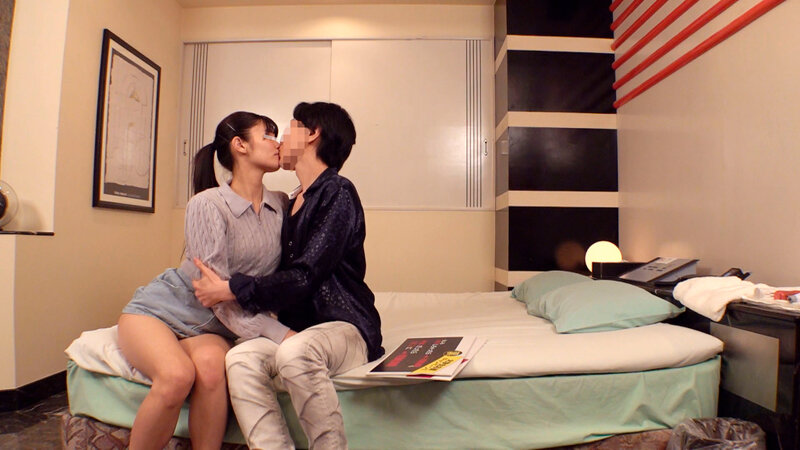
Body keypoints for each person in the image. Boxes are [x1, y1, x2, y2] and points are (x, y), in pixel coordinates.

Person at [193, 101, 384, 449]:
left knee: (296, 352)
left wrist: (232, 288)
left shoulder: (338, 192)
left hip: (344, 325)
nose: (280, 139)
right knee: (240, 359)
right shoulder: (289, 201)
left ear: (312, 134)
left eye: (289, 128)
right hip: (303, 329)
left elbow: (305, 275)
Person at [117, 111, 293, 450]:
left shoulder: (281, 204)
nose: (278, 143)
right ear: (240, 145)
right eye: (268, 135)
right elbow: (215, 292)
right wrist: (279, 333)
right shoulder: (207, 204)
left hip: (213, 326)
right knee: (177, 376)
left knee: (212, 372)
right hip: (162, 311)